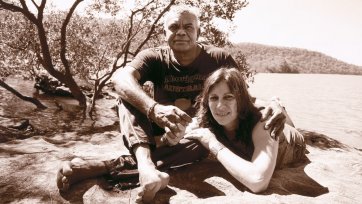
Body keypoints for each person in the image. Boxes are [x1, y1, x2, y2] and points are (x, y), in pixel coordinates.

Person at [56, 4, 289, 203]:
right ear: (164, 32)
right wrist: (154, 109)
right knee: (126, 96)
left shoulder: (218, 58)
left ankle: (108, 166)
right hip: (160, 123)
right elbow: (120, 79)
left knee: (203, 142)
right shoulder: (153, 57)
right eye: (174, 27)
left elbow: (240, 97)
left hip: (197, 129)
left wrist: (276, 104)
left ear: (198, 31)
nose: (181, 32)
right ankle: (146, 167)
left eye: (188, 27)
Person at [184, 67, 306, 193]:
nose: (219, 106)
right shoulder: (206, 117)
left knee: (275, 114)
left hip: (292, 142)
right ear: (206, 101)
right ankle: (274, 102)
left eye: (228, 97)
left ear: (240, 99)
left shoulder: (264, 123)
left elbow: (258, 182)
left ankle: (276, 103)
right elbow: (187, 129)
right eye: (214, 98)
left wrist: (212, 143)